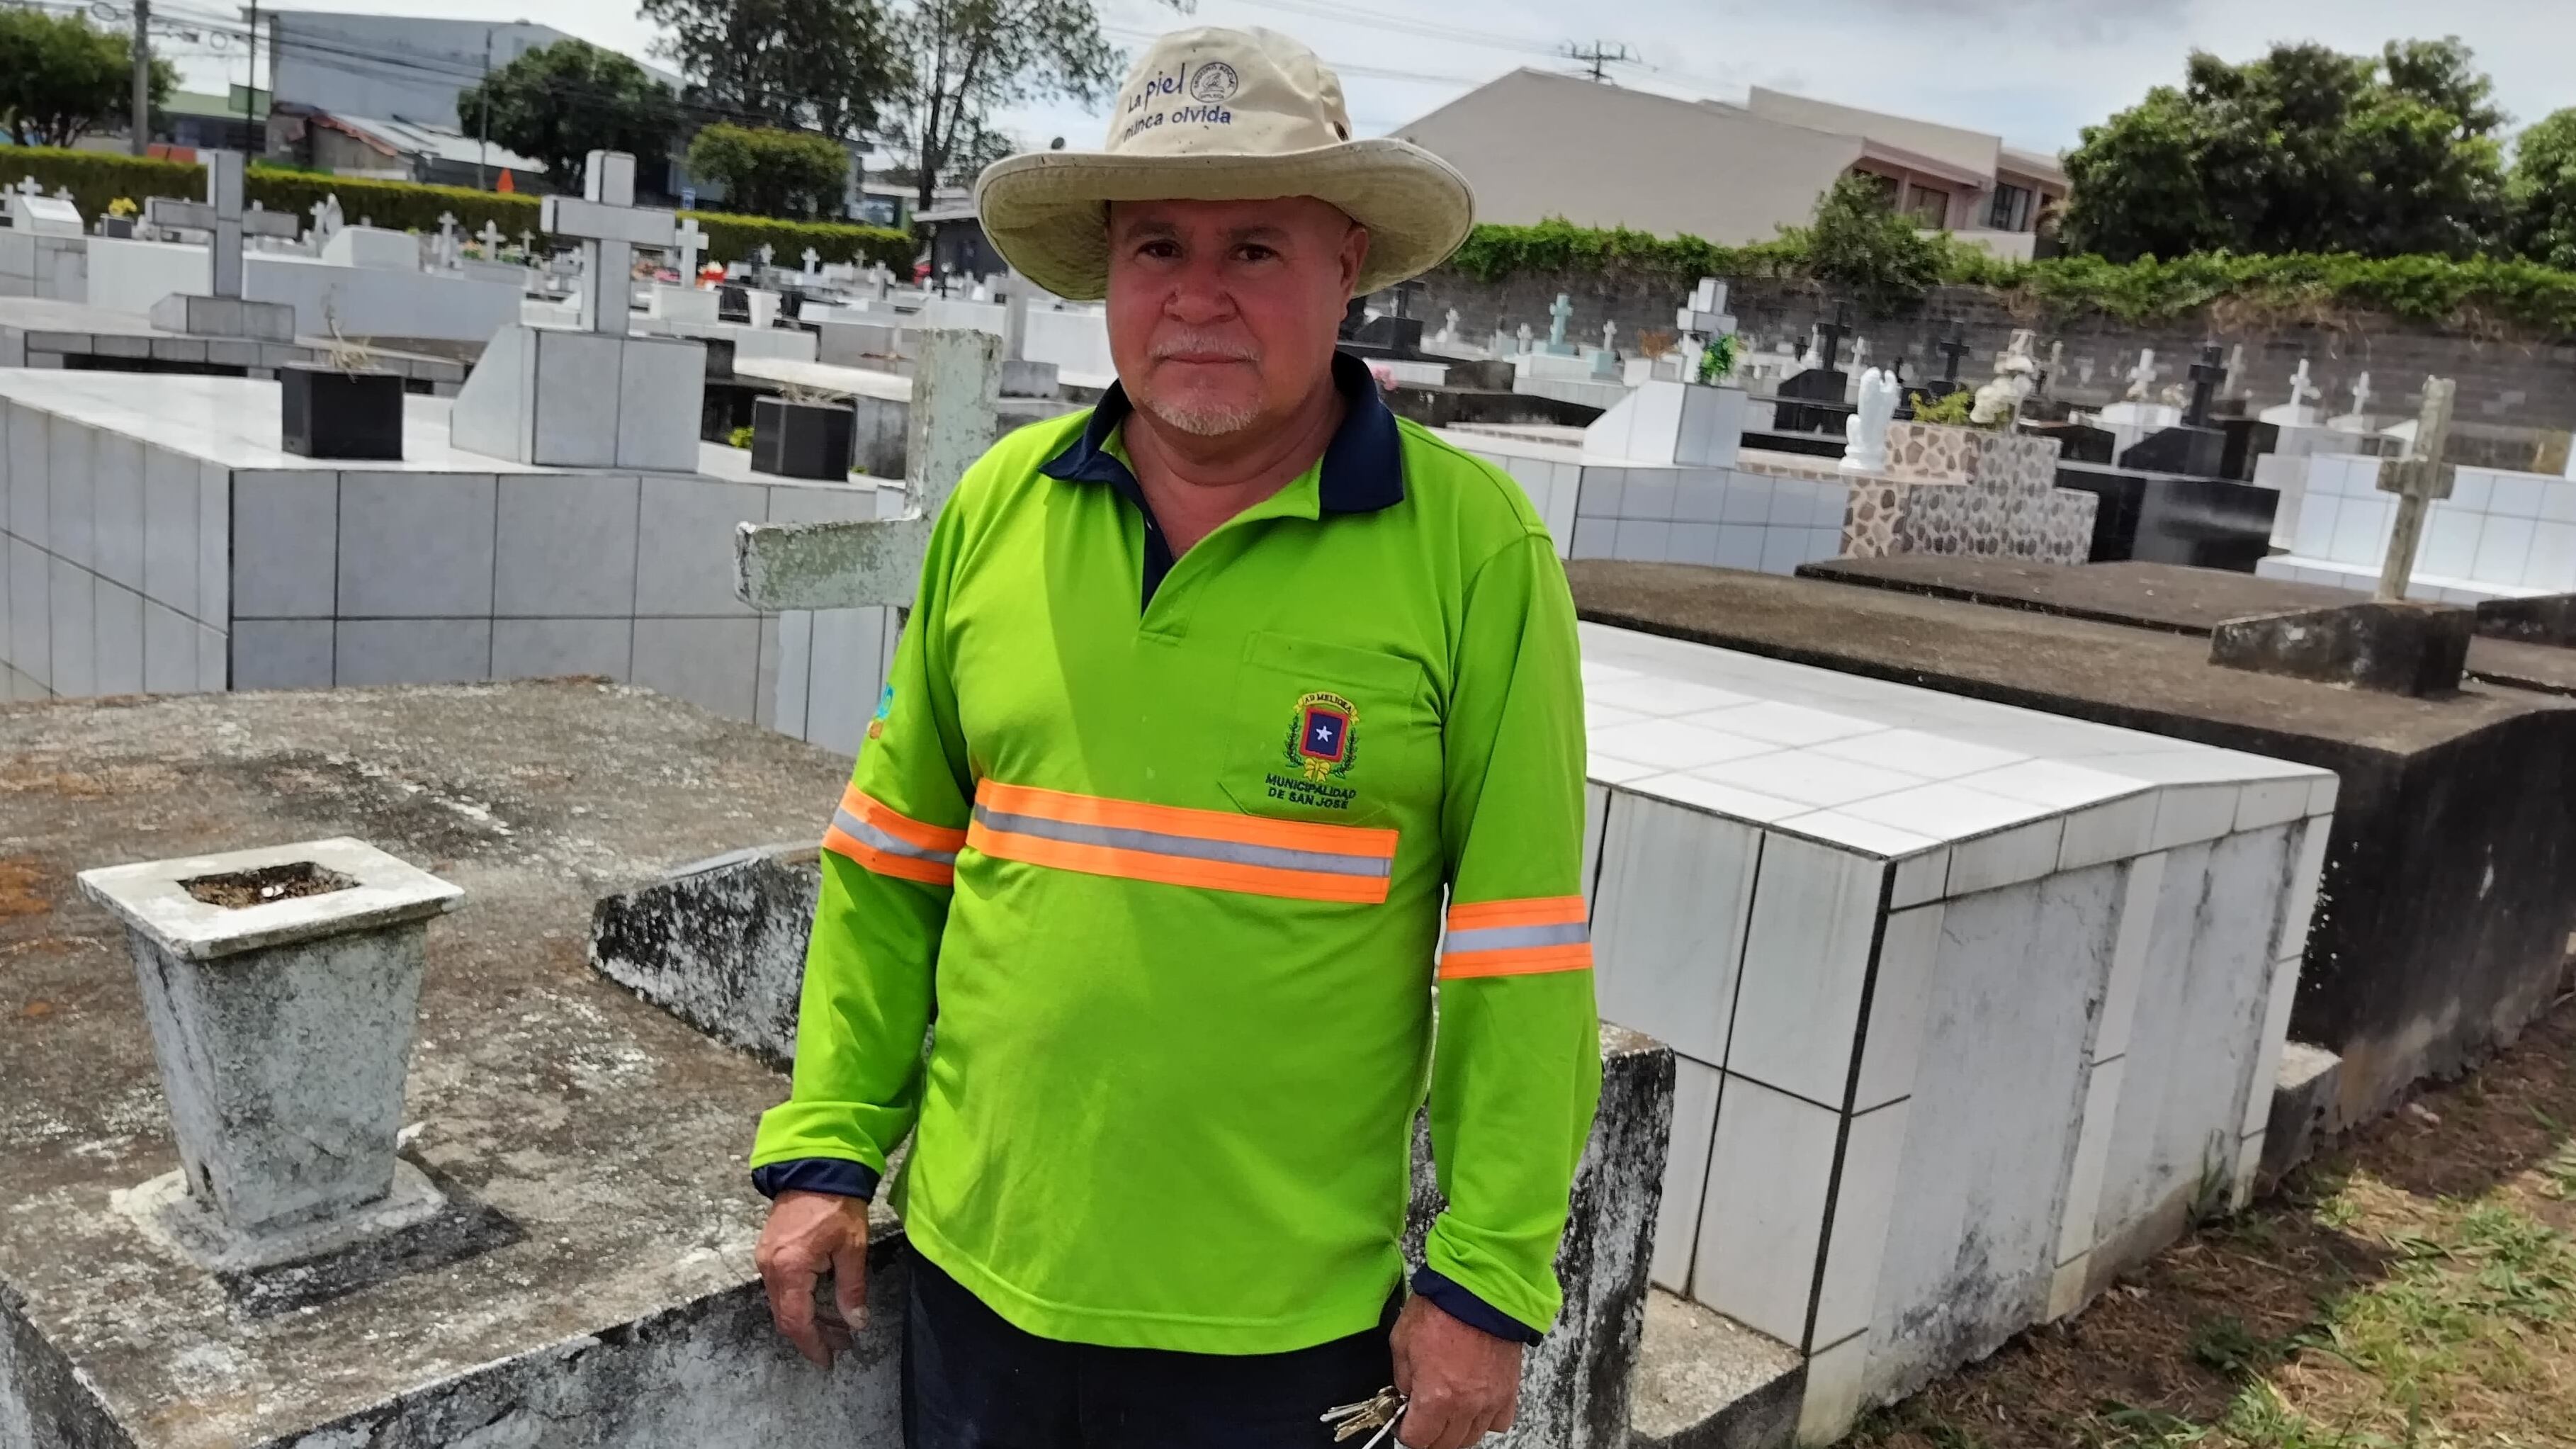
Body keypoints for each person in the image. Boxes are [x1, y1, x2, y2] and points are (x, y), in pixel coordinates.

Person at [749, 26, 1599, 1449]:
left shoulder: (1474, 552)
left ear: (1347, 263)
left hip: (1278, 1333)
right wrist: (830, 1144)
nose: (1197, 297)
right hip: (977, 1282)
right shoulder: (1000, 508)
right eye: (1157, 249)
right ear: (1109, 277)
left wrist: (1491, 1273)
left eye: (1254, 248)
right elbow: (893, 860)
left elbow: (1522, 944)